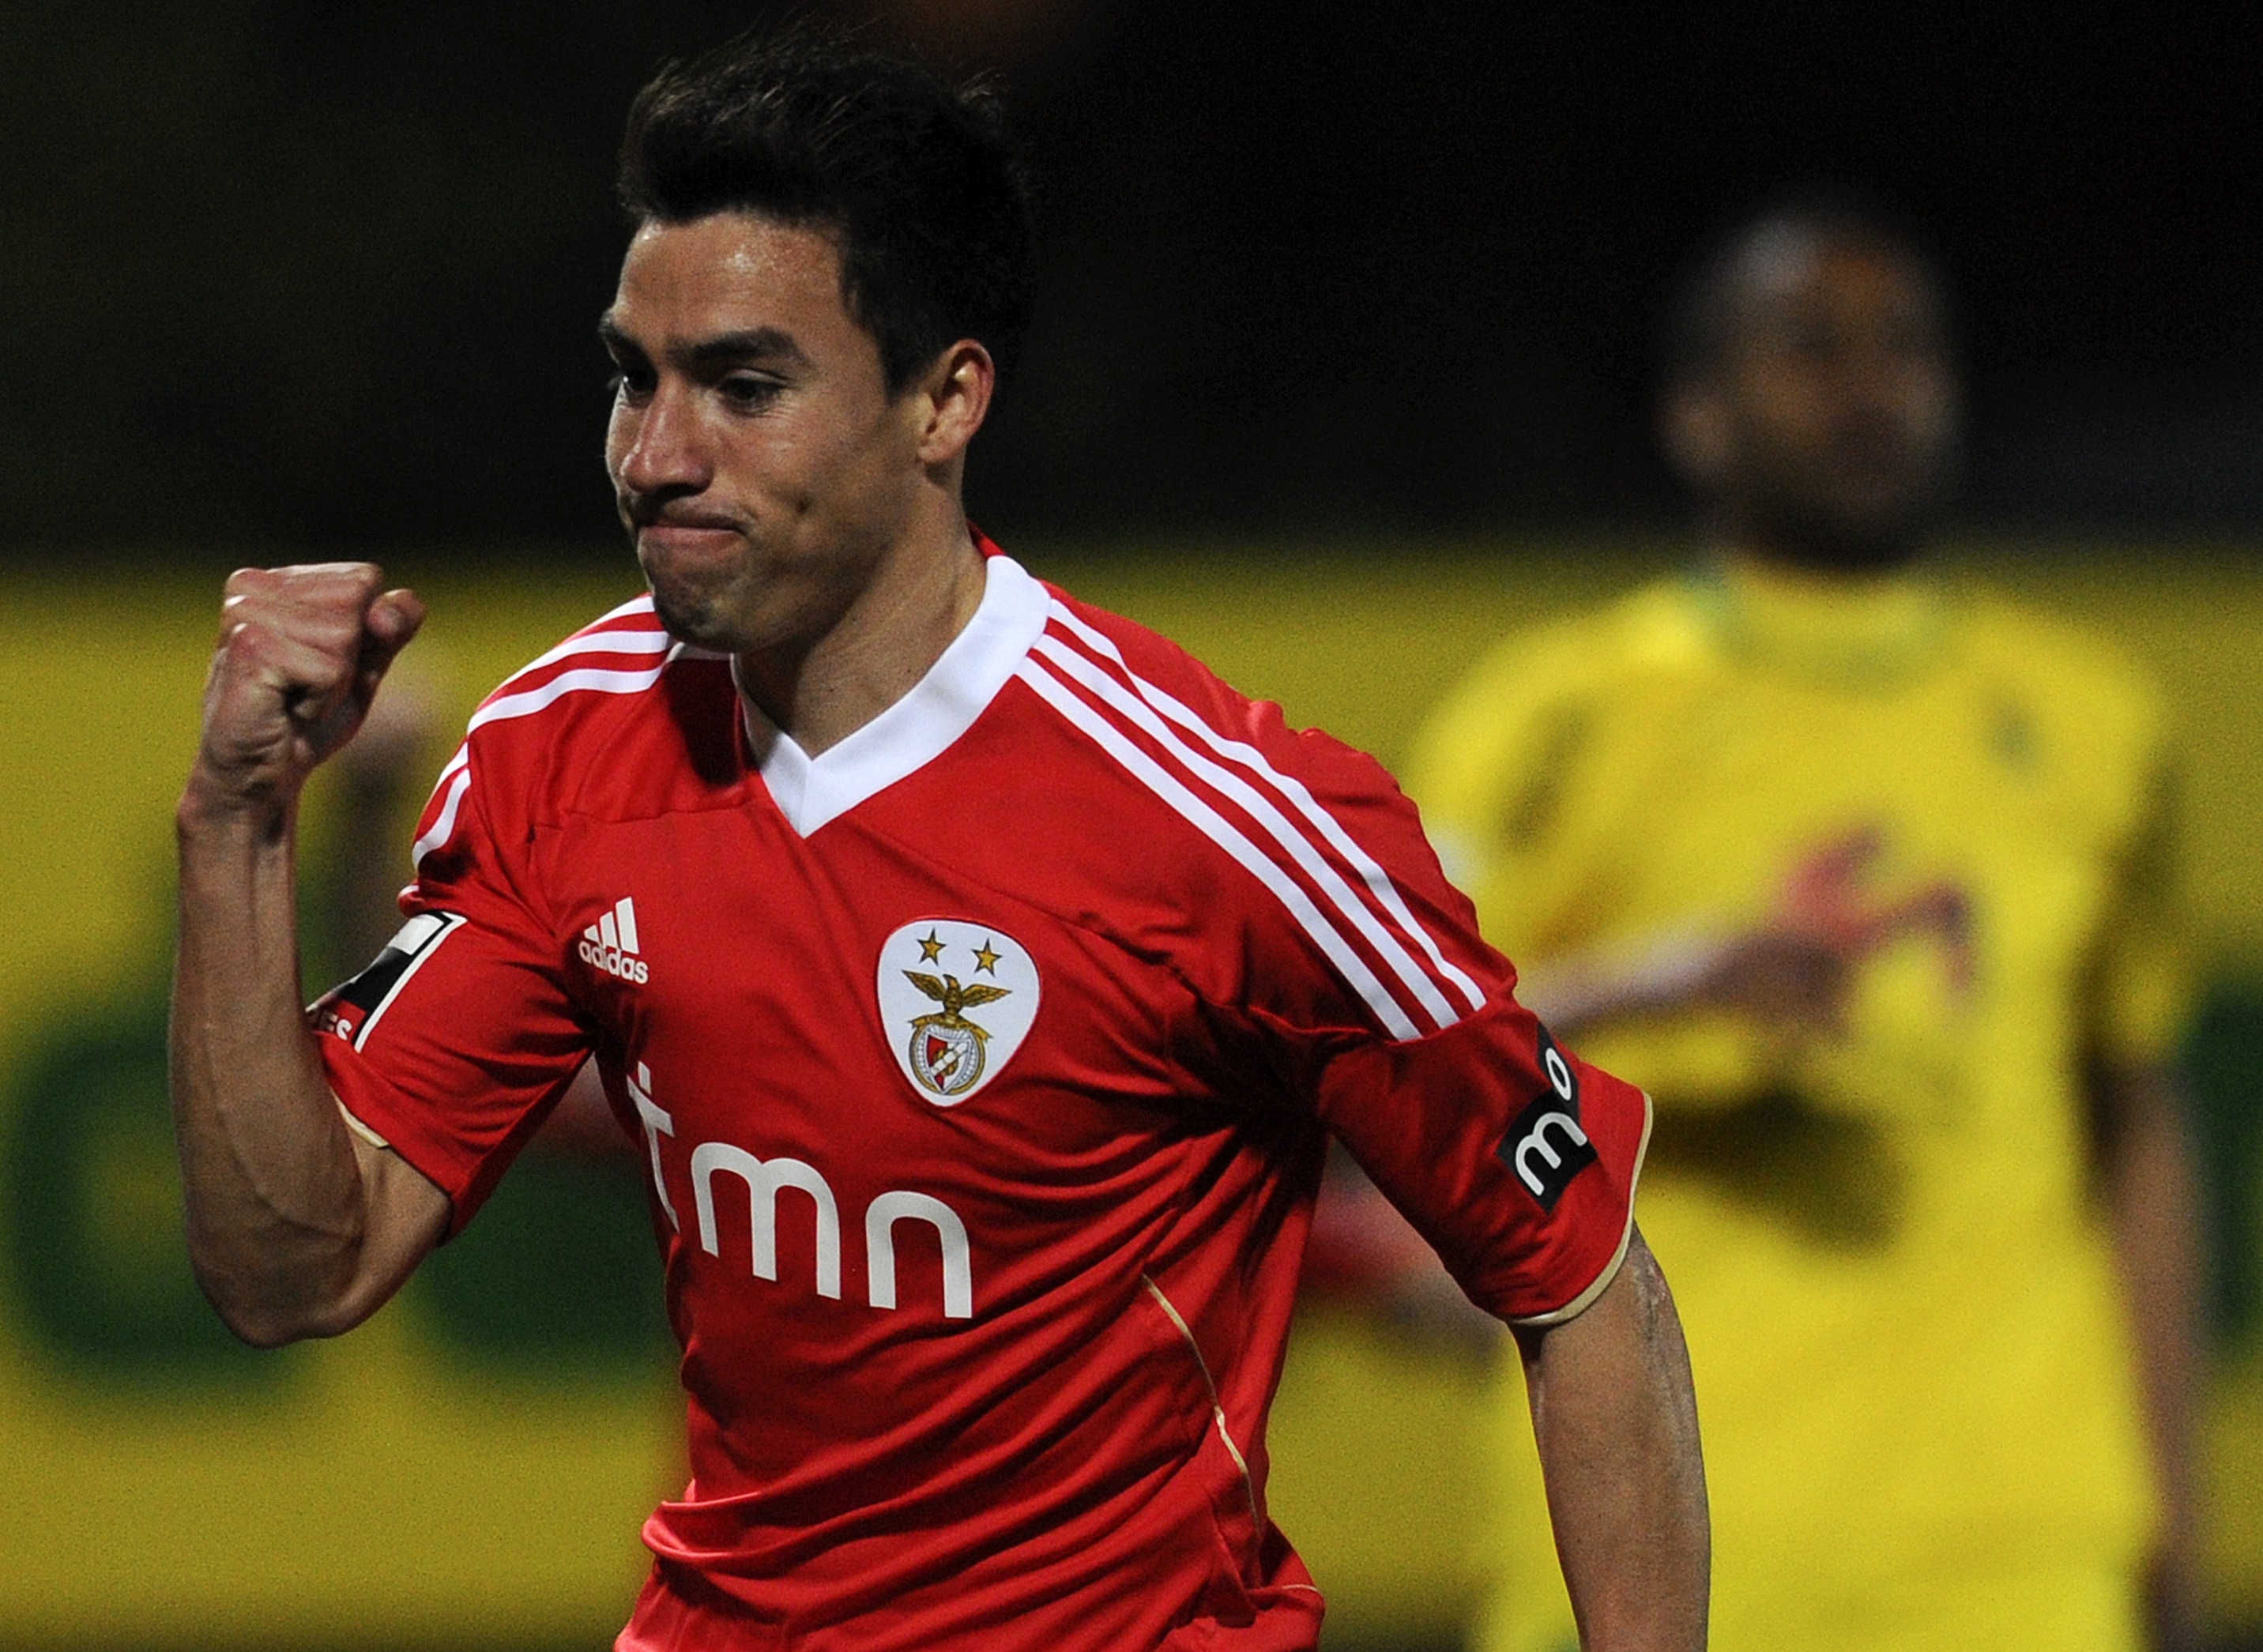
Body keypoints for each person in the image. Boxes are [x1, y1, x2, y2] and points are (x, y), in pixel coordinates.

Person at [168, 24, 1708, 1652]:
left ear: (943, 401)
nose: (655, 456)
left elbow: (1586, 1281)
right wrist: (234, 824)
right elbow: (296, 1267)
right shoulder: (560, 751)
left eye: (744, 387)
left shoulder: (1225, 818)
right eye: (635, 377)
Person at [1406, 201, 2204, 1651]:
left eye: (1906, 346)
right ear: (1696, 413)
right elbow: (1382, 1073)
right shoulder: (1553, 721)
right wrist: (1660, 980)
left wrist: (2177, 1529)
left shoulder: (2096, 723)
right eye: (1812, 349)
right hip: (1658, 1543)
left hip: (2019, 1553)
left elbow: (2135, 1129)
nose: (1870, 386)